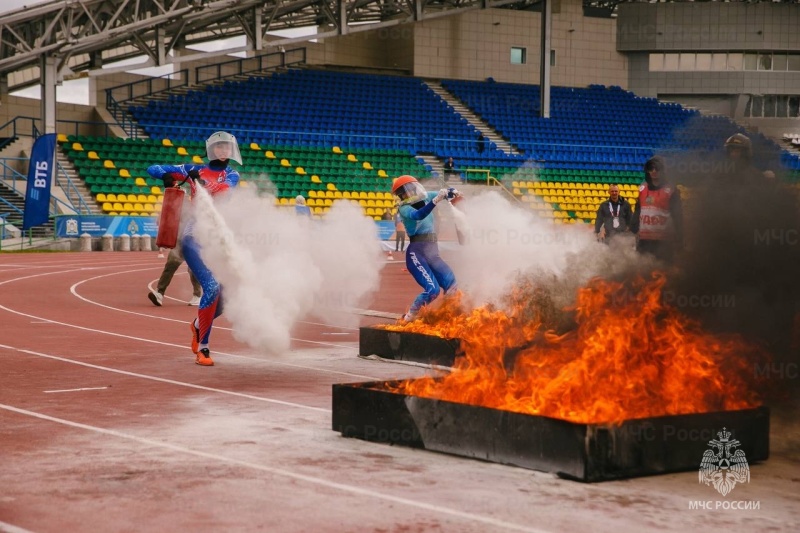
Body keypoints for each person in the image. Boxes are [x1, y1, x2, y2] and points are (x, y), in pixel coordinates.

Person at [147, 131, 241, 367]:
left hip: (217, 239)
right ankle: (204, 348)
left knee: (230, 294)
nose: (223, 151)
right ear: (211, 150)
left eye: (226, 147)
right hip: (193, 237)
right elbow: (153, 168)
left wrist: (199, 181)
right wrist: (169, 176)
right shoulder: (193, 168)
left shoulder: (232, 174)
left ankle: (198, 326)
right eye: (219, 147)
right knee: (210, 287)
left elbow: (223, 192)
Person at [392, 175, 460, 321]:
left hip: (432, 252)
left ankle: (448, 315)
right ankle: (409, 317)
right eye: (403, 192)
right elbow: (418, 215)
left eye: (407, 190)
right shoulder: (404, 209)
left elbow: (442, 194)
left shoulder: (425, 196)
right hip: (417, 253)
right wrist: (435, 201)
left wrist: (451, 192)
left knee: (452, 284)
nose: (407, 193)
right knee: (432, 290)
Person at [631, 156, 682, 263]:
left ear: (662, 170)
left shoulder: (671, 190)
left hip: (664, 241)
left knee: (663, 272)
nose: (654, 171)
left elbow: (678, 216)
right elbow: (637, 210)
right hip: (644, 240)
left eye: (657, 168)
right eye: (651, 168)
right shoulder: (642, 188)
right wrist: (633, 228)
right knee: (643, 271)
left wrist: (680, 236)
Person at [148, 242, 203, 307]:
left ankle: (197, 295)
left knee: (193, 268)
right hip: (180, 242)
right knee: (170, 264)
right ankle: (159, 293)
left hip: (193, 242)